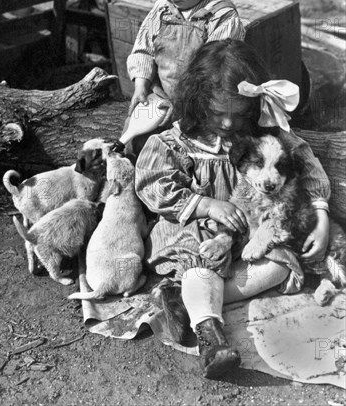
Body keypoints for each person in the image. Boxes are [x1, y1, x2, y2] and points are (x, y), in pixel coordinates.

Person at [135, 40, 331, 378]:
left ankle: (186, 302)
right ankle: (211, 337)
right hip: (197, 234)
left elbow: (307, 164)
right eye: (217, 112)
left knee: (280, 266)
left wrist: (322, 216)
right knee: (203, 263)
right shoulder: (178, 141)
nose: (227, 123)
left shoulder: (264, 137)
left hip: (248, 237)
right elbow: (151, 183)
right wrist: (206, 205)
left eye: (238, 114)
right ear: (198, 101)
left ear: (253, 108)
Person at [126, 0, 246, 134]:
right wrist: (141, 85)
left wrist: (193, 110)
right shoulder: (162, 9)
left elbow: (218, 72)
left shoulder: (221, 17)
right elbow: (143, 48)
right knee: (137, 136)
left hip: (204, 105)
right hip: (163, 96)